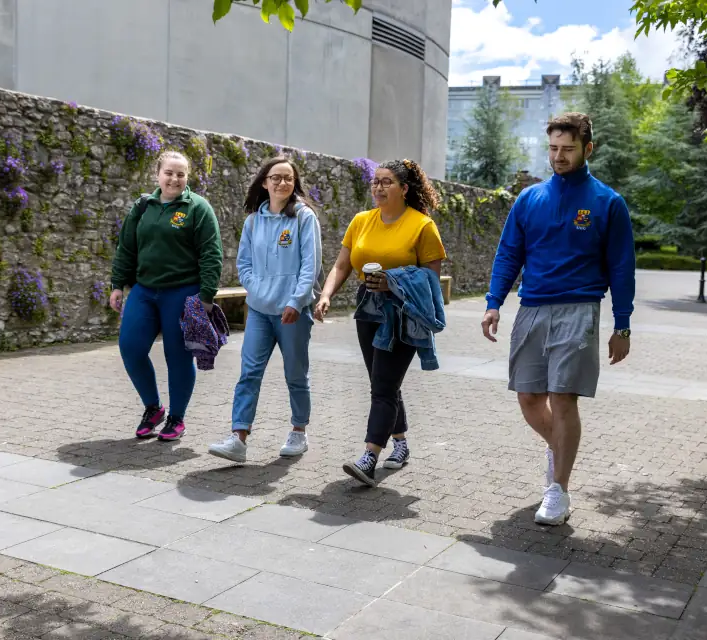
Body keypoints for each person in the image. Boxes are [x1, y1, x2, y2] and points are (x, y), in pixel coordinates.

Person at [480, 112, 635, 526]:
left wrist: (622, 325)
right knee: (529, 398)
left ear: (588, 148)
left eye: (567, 149)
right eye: (553, 149)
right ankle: (563, 448)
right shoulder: (530, 199)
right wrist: (494, 301)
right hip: (531, 308)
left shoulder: (607, 203)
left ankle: (558, 490)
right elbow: (509, 253)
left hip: (580, 308)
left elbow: (622, 268)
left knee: (563, 397)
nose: (559, 156)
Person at [314, 159, 447, 487]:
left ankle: (370, 456)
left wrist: (394, 283)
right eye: (376, 181)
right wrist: (326, 295)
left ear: (404, 189)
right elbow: (342, 265)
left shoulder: (422, 226)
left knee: (384, 385)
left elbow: (431, 279)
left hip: (404, 314)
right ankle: (400, 444)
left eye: (387, 182)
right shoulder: (361, 221)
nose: (378, 187)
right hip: (368, 308)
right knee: (382, 381)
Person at [208, 157, 322, 463]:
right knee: (249, 372)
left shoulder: (303, 218)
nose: (282, 183)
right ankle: (238, 438)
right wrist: (257, 290)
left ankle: (299, 431)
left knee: (295, 373)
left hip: (292, 312)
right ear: (264, 182)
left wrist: (296, 301)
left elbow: (310, 265)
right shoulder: (252, 222)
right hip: (259, 310)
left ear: (294, 183)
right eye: (276, 177)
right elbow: (243, 264)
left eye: (288, 178)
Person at [110, 150, 224, 442]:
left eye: (181, 174)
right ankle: (153, 408)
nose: (174, 178)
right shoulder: (143, 206)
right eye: (169, 172)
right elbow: (126, 247)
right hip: (145, 291)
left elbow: (211, 254)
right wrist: (117, 284)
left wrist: (207, 295)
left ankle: (177, 418)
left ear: (187, 177)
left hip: (183, 292)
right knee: (131, 347)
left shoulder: (198, 208)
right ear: (157, 174)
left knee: (178, 357)